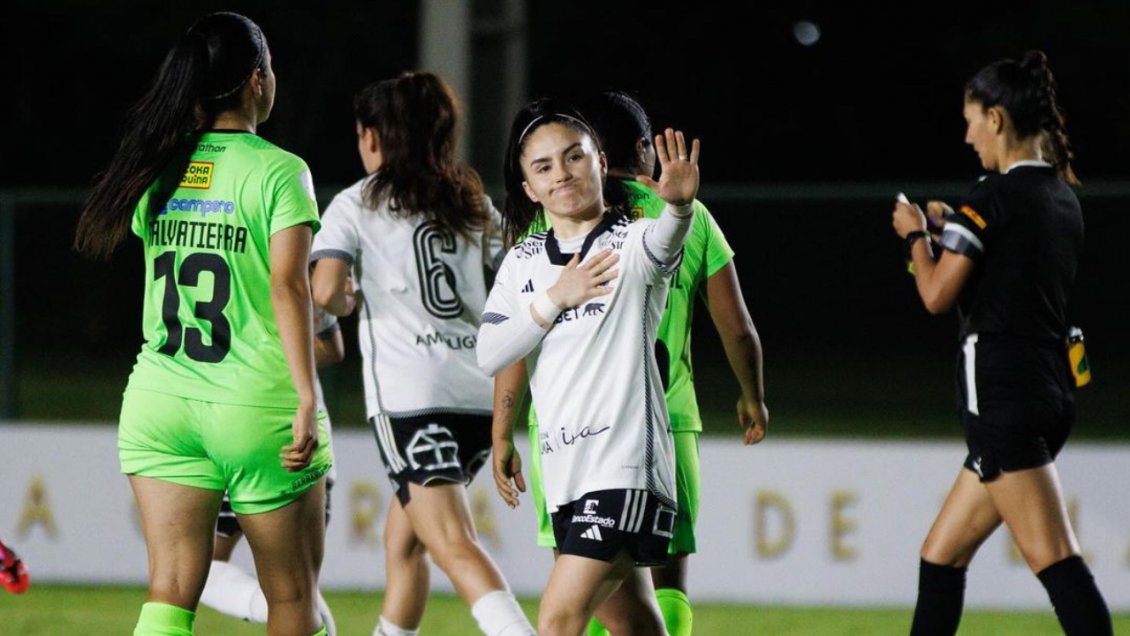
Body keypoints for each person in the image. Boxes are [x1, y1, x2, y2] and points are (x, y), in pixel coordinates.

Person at [73, 12, 332, 636]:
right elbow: (288, 286)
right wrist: (306, 395)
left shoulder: (156, 169)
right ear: (256, 80)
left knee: (168, 592)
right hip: (252, 404)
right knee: (292, 597)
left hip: (160, 400)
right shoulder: (279, 170)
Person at [490, 91, 768, 636]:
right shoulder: (685, 214)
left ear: (592, 152)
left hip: (561, 432)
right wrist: (752, 395)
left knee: (580, 594)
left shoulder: (548, 224)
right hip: (666, 421)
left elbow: (520, 337)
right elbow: (737, 326)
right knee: (655, 590)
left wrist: (502, 430)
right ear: (643, 148)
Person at [892, 50, 1111, 636]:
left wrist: (916, 237)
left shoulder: (989, 199)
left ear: (996, 118)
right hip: (1050, 389)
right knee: (940, 557)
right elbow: (1009, 272)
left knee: (1058, 563)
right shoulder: (1063, 198)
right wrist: (951, 229)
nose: (967, 137)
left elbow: (936, 294)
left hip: (1003, 401)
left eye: (971, 122)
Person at [310, 72, 533, 636]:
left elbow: (324, 289)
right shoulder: (471, 201)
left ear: (372, 137)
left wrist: (346, 297)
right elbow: (521, 268)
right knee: (405, 543)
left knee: (453, 541)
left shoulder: (357, 202)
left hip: (414, 400)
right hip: (479, 397)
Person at [199, 303, 344, 635]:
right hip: (293, 430)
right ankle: (288, 607)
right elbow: (331, 330)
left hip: (236, 424)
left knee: (188, 569)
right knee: (296, 589)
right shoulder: (295, 273)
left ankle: (286, 607)